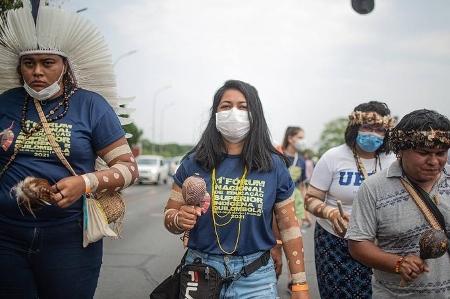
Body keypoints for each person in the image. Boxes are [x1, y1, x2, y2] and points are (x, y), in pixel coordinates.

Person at [0, 3, 138, 298]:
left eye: (47, 62)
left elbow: (128, 169)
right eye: (29, 63)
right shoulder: (5, 103)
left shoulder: (91, 105)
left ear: (65, 64)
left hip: (70, 241)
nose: (37, 71)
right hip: (5, 238)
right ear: (19, 66)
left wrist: (85, 183)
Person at [163, 80, 310, 299]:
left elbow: (289, 226)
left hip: (256, 277)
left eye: (243, 106)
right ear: (215, 113)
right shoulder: (192, 163)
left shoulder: (274, 165)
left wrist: (299, 284)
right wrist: (178, 219)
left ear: (255, 114)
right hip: (200, 272)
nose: (234, 112)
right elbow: (169, 216)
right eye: (226, 106)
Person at [347, 109, 450, 298]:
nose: (434, 161)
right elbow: (358, 244)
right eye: (424, 153)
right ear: (400, 150)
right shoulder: (373, 188)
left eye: (441, 153)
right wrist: (398, 263)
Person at [304, 101, 396, 298]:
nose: (372, 133)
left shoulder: (394, 160)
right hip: (334, 242)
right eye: (367, 127)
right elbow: (310, 198)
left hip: (380, 242)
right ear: (355, 128)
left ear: (386, 132)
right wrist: (329, 212)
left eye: (379, 129)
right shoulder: (333, 157)